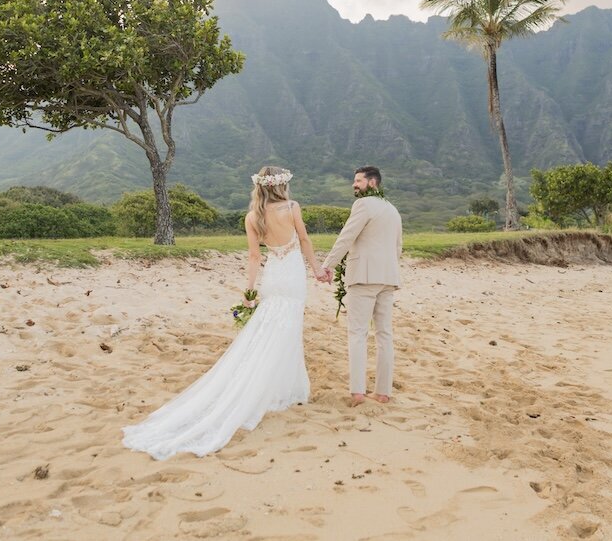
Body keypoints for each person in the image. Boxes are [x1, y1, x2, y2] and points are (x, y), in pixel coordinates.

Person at [122, 166, 322, 459]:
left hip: (273, 276)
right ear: (281, 186)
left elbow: (255, 256)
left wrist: (250, 290)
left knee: (268, 330)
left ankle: (281, 388)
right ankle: (282, 391)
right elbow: (304, 241)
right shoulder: (292, 208)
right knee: (288, 331)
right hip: (291, 276)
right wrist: (316, 268)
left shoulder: (253, 217)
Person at [317, 166, 403, 406]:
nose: (354, 184)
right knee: (385, 335)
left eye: (358, 180)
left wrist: (328, 265)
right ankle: (383, 392)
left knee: (357, 333)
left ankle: (357, 392)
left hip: (364, 277)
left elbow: (347, 236)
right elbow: (398, 248)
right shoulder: (392, 209)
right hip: (388, 278)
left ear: (372, 182)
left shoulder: (363, 205)